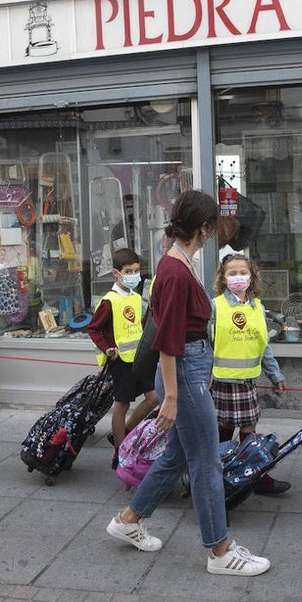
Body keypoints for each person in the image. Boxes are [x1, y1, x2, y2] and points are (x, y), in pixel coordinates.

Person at [104, 190, 270, 577]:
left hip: (186, 369)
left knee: (177, 454)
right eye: (214, 224)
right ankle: (220, 551)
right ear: (204, 228)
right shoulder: (177, 271)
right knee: (206, 462)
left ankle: (128, 519)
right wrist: (174, 397)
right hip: (183, 373)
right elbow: (168, 340)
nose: (218, 231)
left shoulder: (177, 261)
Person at [210, 253, 290, 495]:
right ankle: (220, 475)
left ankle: (252, 475)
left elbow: (264, 345)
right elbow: (204, 343)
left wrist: (275, 375)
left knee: (248, 428)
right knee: (223, 427)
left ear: (251, 275)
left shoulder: (258, 307)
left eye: (242, 272)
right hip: (221, 381)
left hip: (247, 381)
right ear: (223, 278)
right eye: (232, 273)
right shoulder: (215, 306)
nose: (238, 277)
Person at [87, 248, 158, 469]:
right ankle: (120, 451)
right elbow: (94, 328)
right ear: (116, 273)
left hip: (140, 359)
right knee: (122, 403)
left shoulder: (137, 298)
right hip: (121, 362)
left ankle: (125, 431)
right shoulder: (109, 301)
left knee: (154, 398)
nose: (133, 275)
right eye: (128, 271)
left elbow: (142, 326)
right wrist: (108, 348)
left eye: (137, 270)